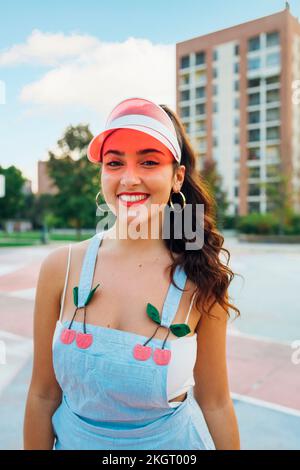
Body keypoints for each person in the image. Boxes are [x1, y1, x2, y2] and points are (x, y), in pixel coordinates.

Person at [23, 97, 241, 450]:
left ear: (177, 178)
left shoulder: (202, 278)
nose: (129, 178)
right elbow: (42, 395)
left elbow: (215, 402)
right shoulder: (59, 269)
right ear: (102, 175)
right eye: (114, 163)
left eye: (149, 161)